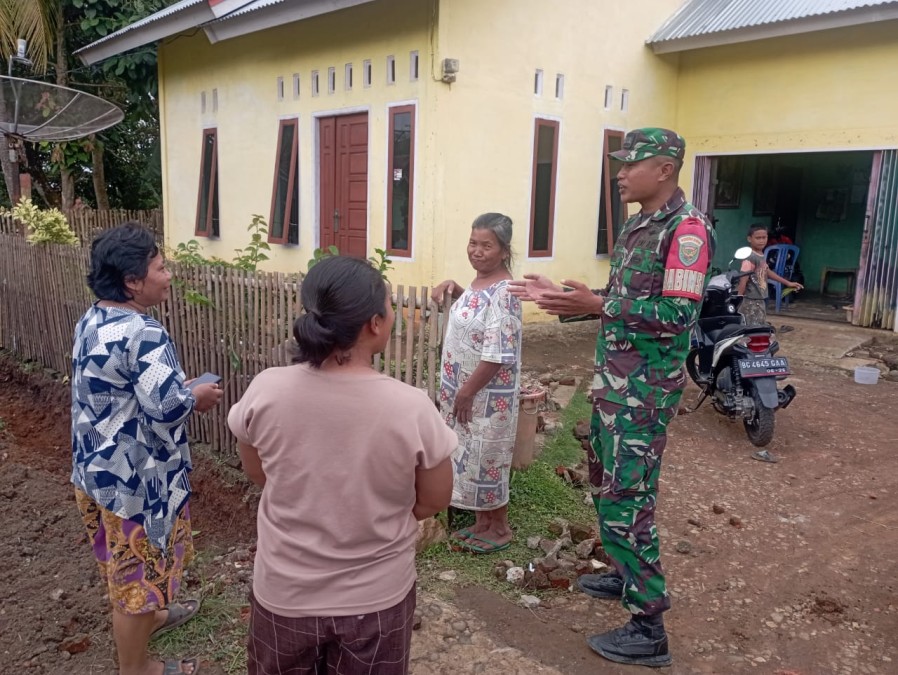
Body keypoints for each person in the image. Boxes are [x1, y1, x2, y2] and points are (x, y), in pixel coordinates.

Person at [509, 128, 715, 667]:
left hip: (644, 392)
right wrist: (568, 299)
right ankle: (624, 574)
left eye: (631, 164)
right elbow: (621, 299)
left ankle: (649, 629)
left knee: (628, 499)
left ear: (665, 168)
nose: (620, 174)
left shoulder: (687, 230)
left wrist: (598, 304)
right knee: (605, 484)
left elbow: (679, 316)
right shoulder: (638, 226)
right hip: (614, 383)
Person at [227, 256, 456, 675]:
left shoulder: (267, 390)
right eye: (389, 307)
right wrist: (381, 515)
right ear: (375, 323)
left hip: (285, 596)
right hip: (377, 600)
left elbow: (258, 472)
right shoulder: (411, 408)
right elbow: (436, 498)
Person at [71, 222, 223, 675]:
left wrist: (178, 390)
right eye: (160, 266)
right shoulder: (144, 332)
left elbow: (122, 394)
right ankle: (139, 668)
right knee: (135, 584)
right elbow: (167, 409)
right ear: (133, 281)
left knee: (126, 568)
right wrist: (197, 396)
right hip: (137, 486)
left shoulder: (93, 318)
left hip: (96, 471)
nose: (168, 274)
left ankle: (155, 616)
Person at [431, 213, 523, 554]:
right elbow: (474, 321)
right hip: (466, 394)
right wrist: (455, 290)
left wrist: (467, 392)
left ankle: (499, 528)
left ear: (503, 251)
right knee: (471, 456)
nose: (477, 251)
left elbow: (498, 352)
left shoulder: (505, 292)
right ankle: (481, 523)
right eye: (473, 243)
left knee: (490, 457)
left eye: (487, 245)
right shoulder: (480, 283)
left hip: (486, 397)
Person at [737, 223, 803, 326]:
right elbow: (743, 279)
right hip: (750, 300)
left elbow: (767, 271)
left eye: (764, 237)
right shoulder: (749, 257)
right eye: (758, 238)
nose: (761, 241)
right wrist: (739, 298)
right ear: (749, 239)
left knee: (759, 326)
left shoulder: (761, 254)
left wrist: (788, 283)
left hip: (760, 298)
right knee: (752, 329)